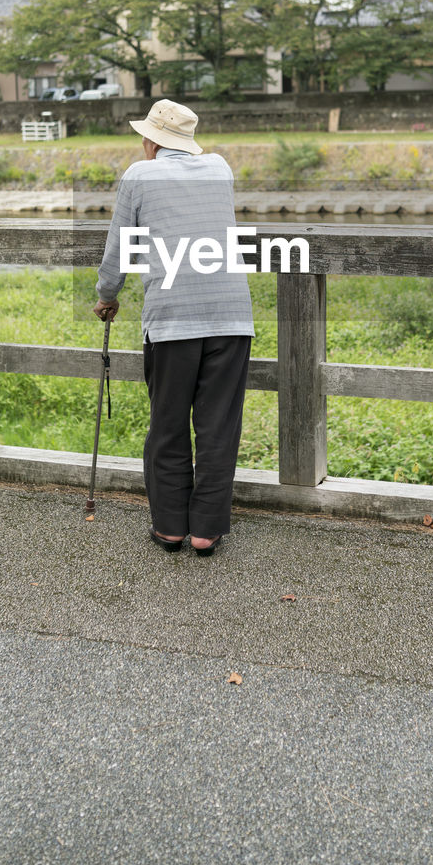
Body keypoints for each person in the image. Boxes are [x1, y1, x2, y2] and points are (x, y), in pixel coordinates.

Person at [94, 99, 254, 556]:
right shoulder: (220, 167)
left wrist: (108, 296)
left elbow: (120, 247)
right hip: (231, 316)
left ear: (151, 141)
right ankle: (206, 530)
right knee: (218, 426)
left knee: (168, 423)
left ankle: (169, 528)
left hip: (172, 320)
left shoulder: (139, 175)